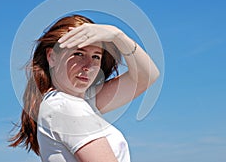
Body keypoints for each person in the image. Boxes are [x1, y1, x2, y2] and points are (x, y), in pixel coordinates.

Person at [9, 14, 160, 161]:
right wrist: (117, 35)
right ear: (52, 57)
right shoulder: (65, 105)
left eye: (96, 56)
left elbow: (147, 76)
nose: (88, 66)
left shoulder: (78, 102)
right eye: (79, 53)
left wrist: (117, 36)